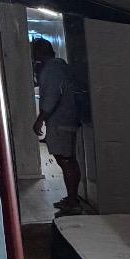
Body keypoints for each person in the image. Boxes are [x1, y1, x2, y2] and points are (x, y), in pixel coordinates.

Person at [30, 38, 81, 214]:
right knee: (67, 160)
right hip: (67, 119)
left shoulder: (51, 69)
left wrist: (40, 119)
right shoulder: (61, 66)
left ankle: (73, 203)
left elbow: (51, 97)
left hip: (61, 122)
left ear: (39, 53)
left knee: (66, 161)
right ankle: (72, 198)